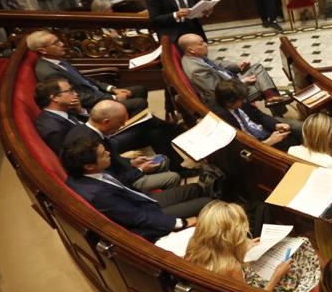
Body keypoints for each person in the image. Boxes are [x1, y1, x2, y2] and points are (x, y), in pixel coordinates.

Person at [63, 134, 209, 241]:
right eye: (103, 154)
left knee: (194, 188)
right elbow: (138, 218)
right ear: (89, 166)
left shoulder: (87, 173)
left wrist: (138, 169)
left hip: (142, 200)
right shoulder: (99, 195)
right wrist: (180, 223)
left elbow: (118, 182)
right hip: (148, 215)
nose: (108, 154)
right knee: (207, 203)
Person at [185, 200, 320, 292]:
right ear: (230, 237)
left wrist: (246, 245)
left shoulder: (193, 246)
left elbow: (220, 249)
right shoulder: (232, 267)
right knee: (301, 252)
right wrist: (277, 275)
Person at [65, 99, 180, 193]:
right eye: (120, 122)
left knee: (162, 159)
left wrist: (131, 162)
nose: (122, 126)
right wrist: (140, 170)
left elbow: (113, 159)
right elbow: (110, 179)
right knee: (173, 177)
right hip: (120, 183)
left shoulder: (85, 129)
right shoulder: (90, 145)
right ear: (106, 122)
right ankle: (159, 201)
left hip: (121, 170)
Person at [28, 29, 149, 116]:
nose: (62, 44)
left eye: (59, 40)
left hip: (96, 94)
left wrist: (111, 89)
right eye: (56, 43)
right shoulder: (49, 73)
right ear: (43, 50)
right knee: (138, 103)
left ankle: (129, 119)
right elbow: (75, 96)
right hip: (88, 106)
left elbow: (84, 79)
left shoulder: (58, 59)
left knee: (140, 89)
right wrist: (113, 98)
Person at [178, 33, 287, 106]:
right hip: (228, 97)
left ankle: (272, 98)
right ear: (191, 50)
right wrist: (241, 82)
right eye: (201, 43)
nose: (206, 44)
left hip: (229, 80)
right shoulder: (196, 70)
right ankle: (273, 100)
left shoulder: (195, 57)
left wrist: (237, 66)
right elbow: (218, 92)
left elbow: (216, 63)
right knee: (263, 84)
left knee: (257, 68)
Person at [211, 79, 301, 147]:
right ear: (229, 102)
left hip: (265, 130)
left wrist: (275, 125)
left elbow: (258, 115)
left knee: (299, 129)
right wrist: (267, 143)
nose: (244, 101)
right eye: (241, 100)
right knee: (295, 142)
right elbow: (239, 146)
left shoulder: (239, 100)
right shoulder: (222, 119)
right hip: (259, 145)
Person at [34, 79, 88, 157]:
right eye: (70, 91)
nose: (76, 94)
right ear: (55, 98)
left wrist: (80, 110)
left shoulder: (65, 109)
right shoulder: (53, 129)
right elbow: (72, 157)